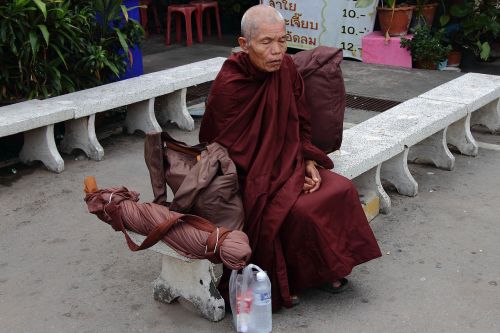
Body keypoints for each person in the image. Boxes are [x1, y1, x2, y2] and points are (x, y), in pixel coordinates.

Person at [199, 4, 382, 311]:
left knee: (340, 189)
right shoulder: (231, 83)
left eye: (282, 41)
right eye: (266, 43)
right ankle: (292, 279)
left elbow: (300, 121)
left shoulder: (286, 70)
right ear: (245, 45)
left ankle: (326, 269)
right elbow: (223, 146)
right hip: (249, 175)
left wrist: (308, 161)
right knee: (298, 209)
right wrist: (291, 170)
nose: (276, 51)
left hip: (287, 164)